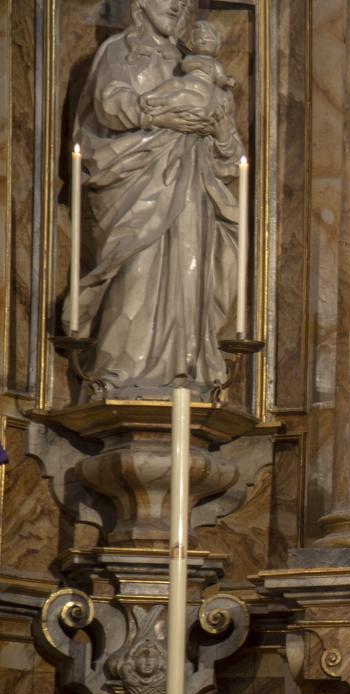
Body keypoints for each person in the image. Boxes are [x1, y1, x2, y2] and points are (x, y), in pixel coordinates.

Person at [73, 0, 245, 397]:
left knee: (191, 273)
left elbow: (230, 156)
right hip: (136, 186)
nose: (178, 5)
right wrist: (156, 115)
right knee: (137, 272)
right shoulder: (120, 51)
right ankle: (117, 374)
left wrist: (220, 135)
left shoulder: (196, 64)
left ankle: (187, 372)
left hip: (192, 187)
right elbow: (109, 105)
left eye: (185, 0)